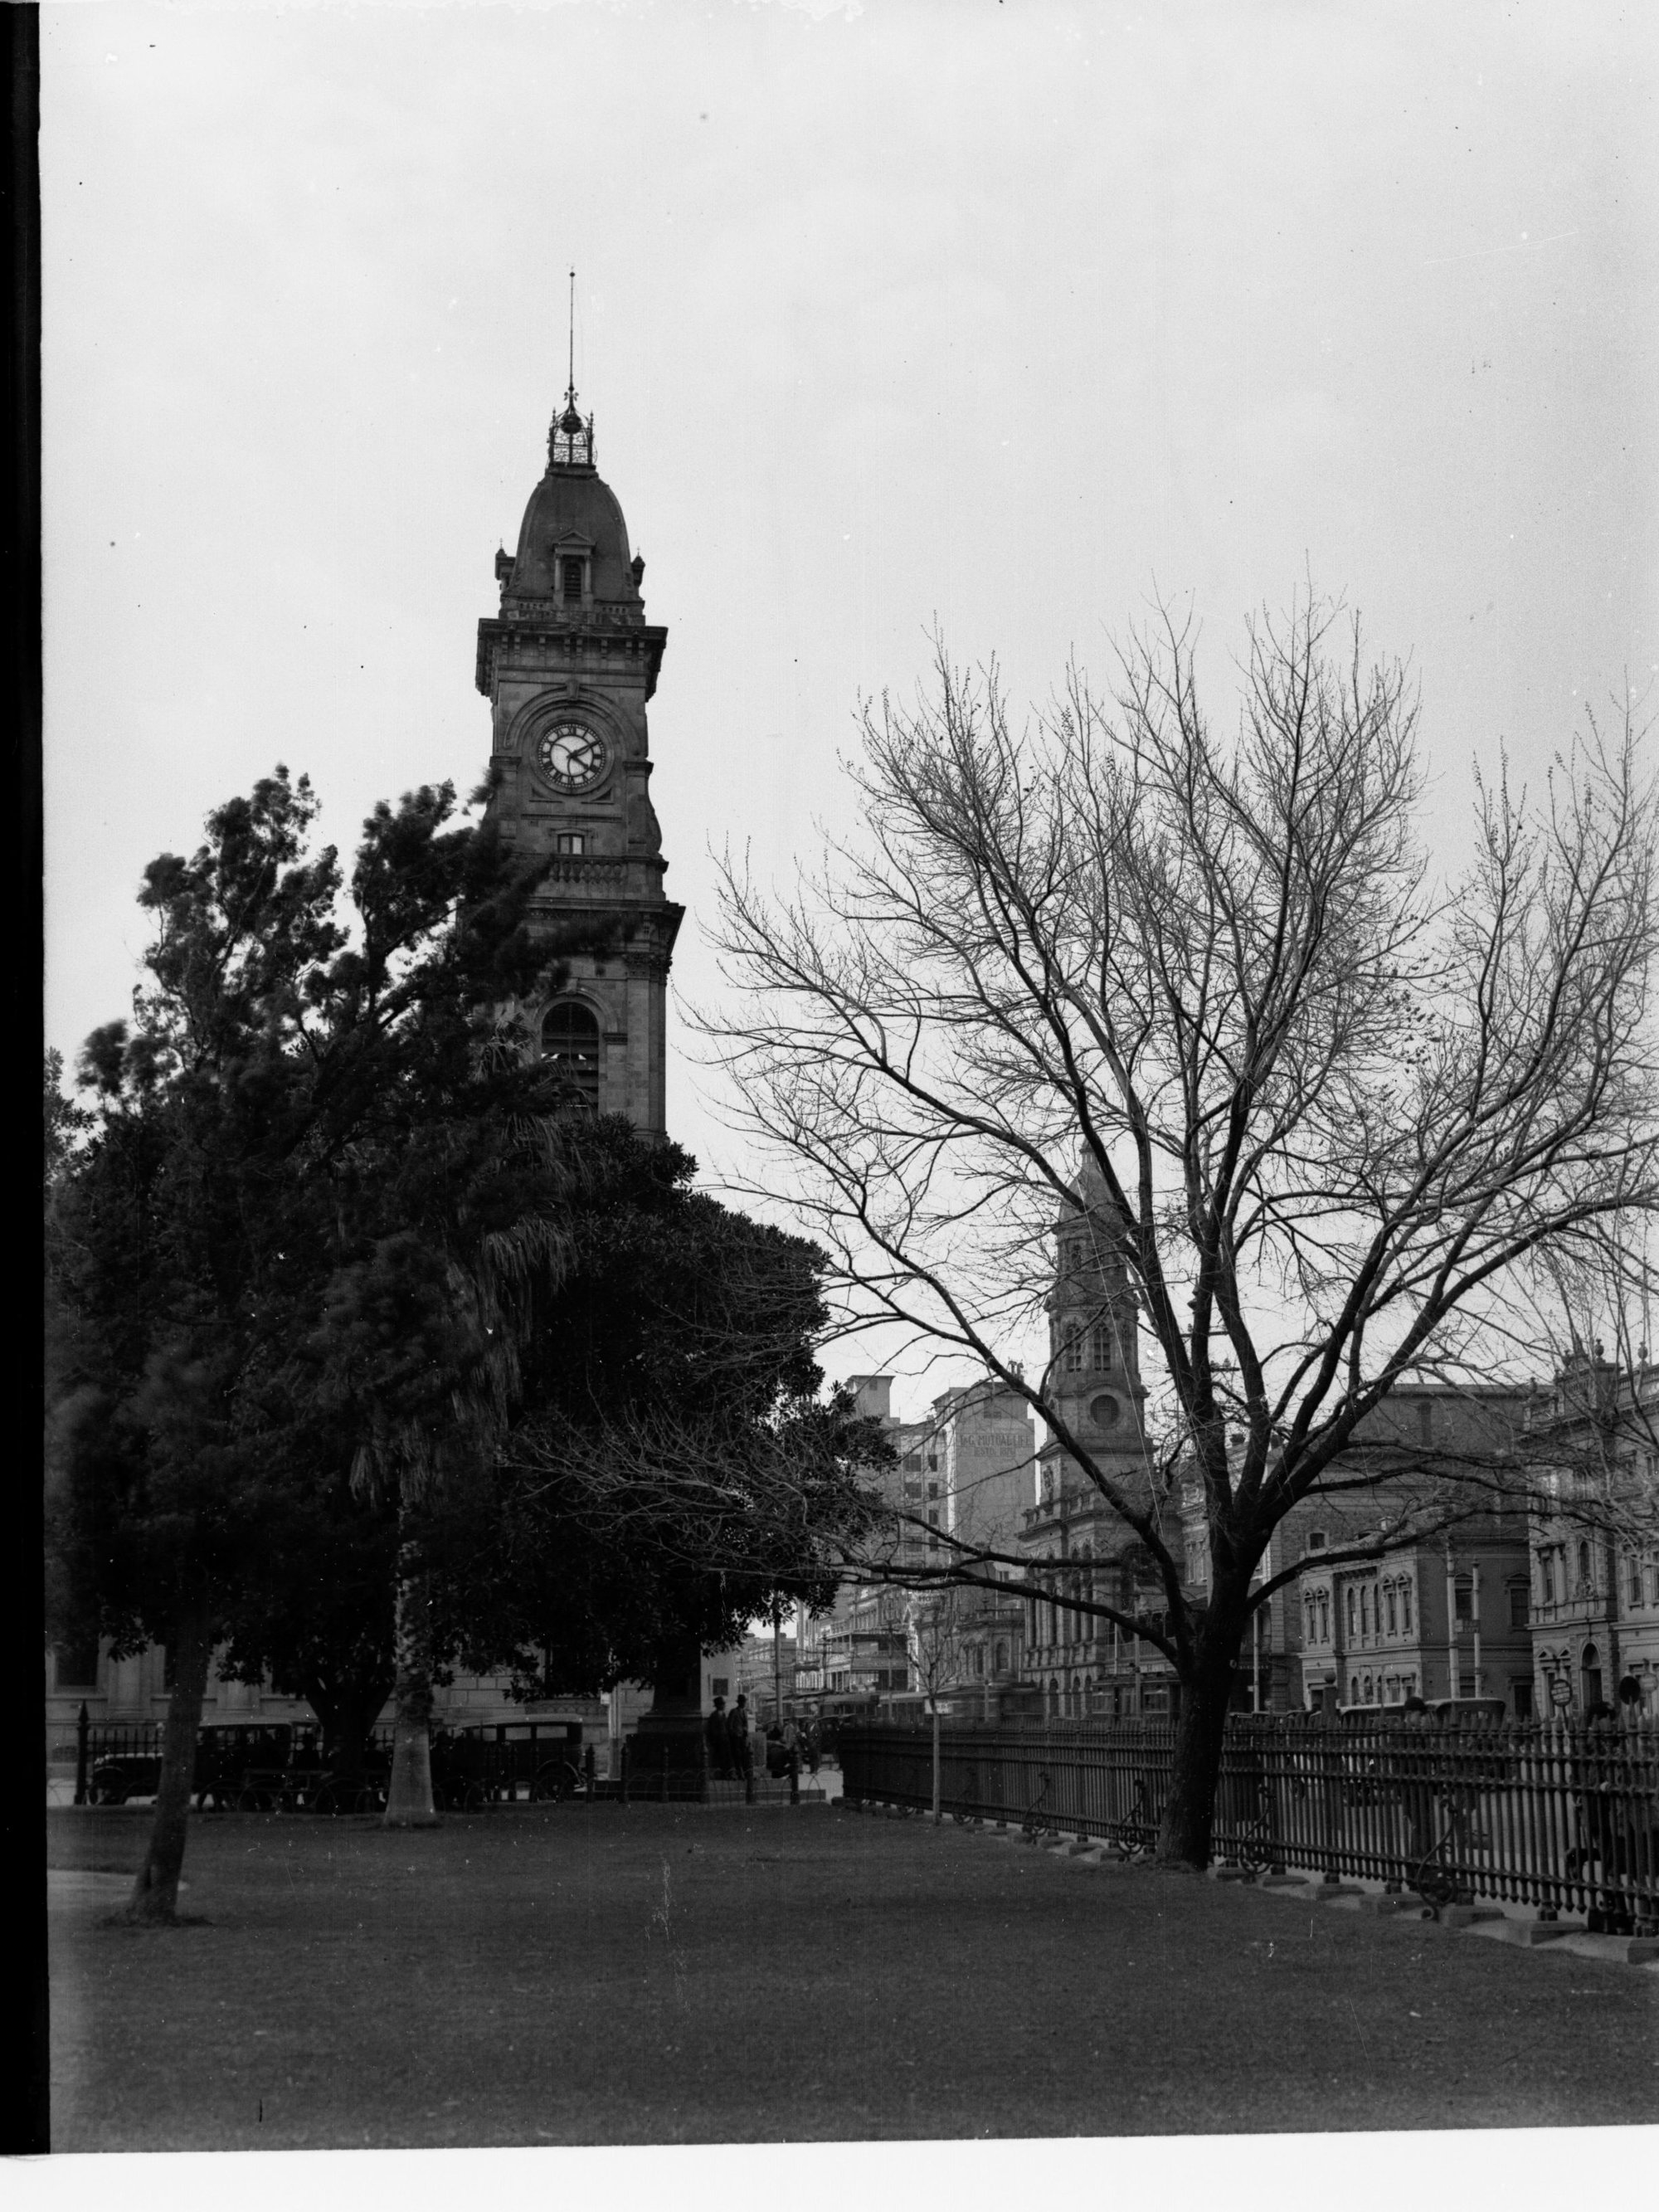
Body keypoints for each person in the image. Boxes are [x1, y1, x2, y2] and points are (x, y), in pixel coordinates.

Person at [704, 1694, 731, 1781]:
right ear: (718, 1705)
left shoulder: (723, 1715)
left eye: (723, 1704)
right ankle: (718, 1775)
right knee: (717, 1758)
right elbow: (712, 1729)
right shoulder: (714, 1715)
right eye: (722, 1704)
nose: (724, 1706)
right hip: (717, 1741)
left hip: (724, 1740)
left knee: (725, 1758)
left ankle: (724, 1774)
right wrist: (714, 1740)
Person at [727, 1693, 752, 1781]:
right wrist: (733, 1734)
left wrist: (745, 1730)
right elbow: (730, 1725)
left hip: (743, 1737)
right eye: (743, 1702)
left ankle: (745, 1773)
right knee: (737, 1755)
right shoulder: (734, 1711)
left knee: (744, 1755)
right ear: (739, 1702)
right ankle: (740, 1773)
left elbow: (745, 1724)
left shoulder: (745, 1712)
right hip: (736, 1738)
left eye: (745, 1702)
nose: (744, 1703)